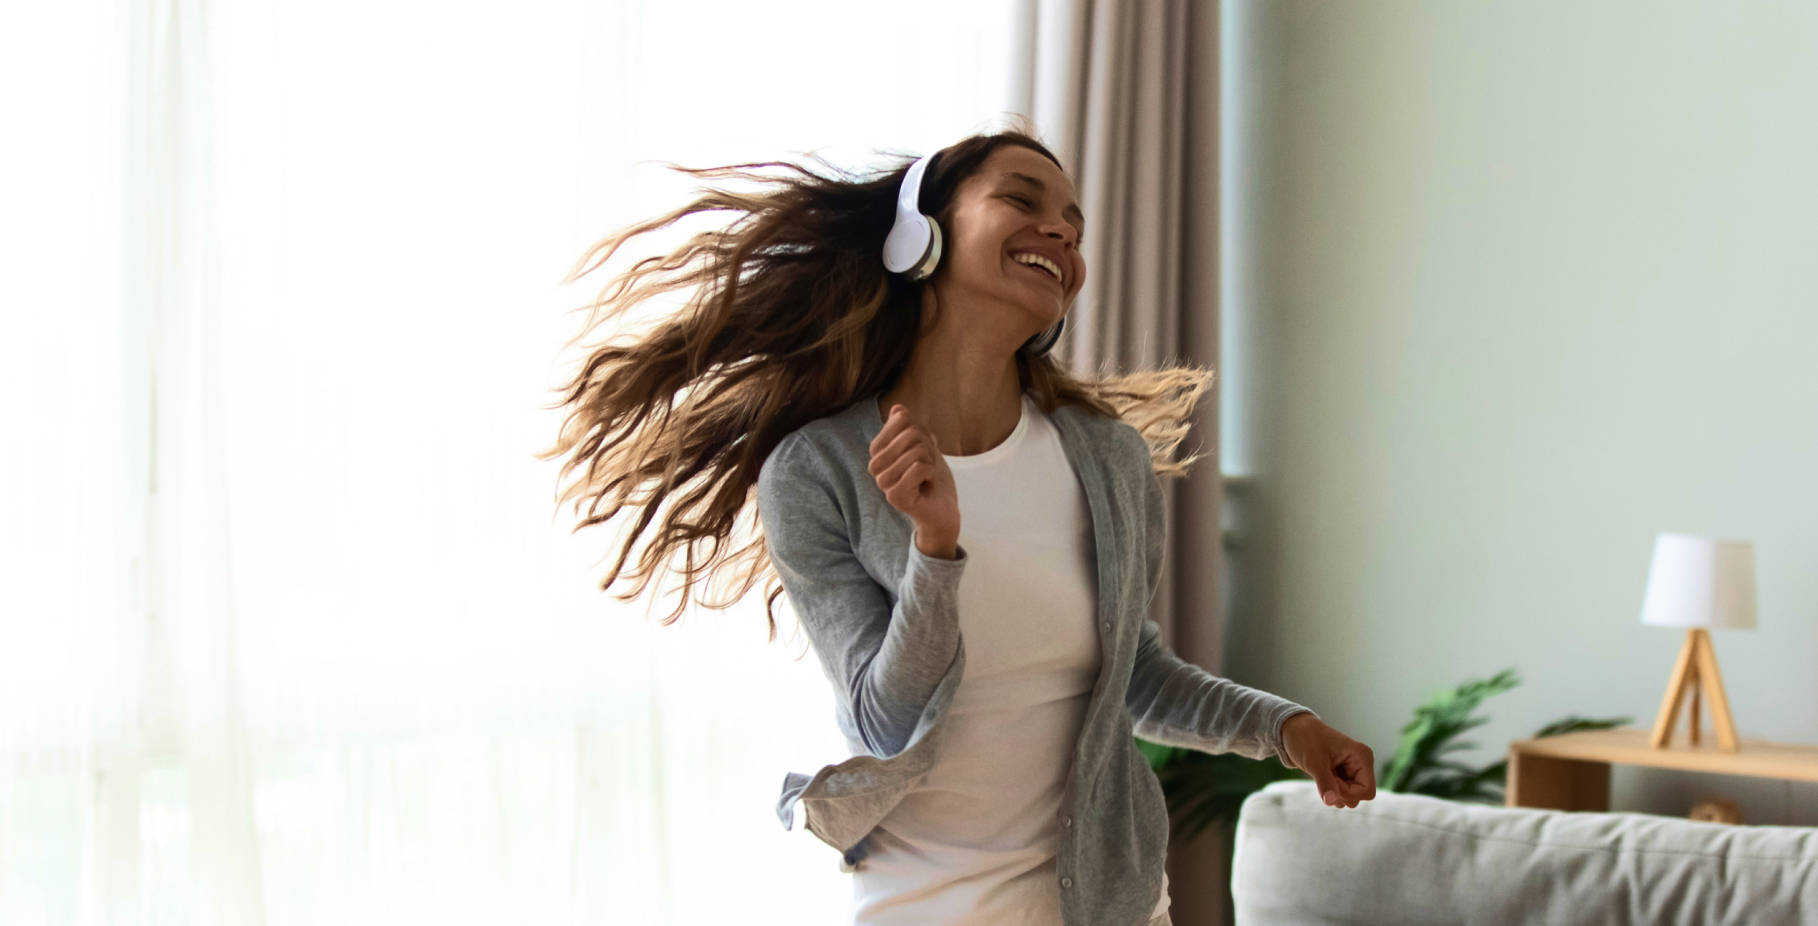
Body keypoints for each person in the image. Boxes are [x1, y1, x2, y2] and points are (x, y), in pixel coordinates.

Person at [543, 127, 1376, 926]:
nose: (1060, 229)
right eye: (1022, 198)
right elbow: (882, 720)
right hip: (924, 908)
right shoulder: (817, 469)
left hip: (1109, 905)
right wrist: (934, 550)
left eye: (1075, 227)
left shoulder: (1107, 460)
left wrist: (1286, 729)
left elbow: (1134, 674)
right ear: (918, 238)